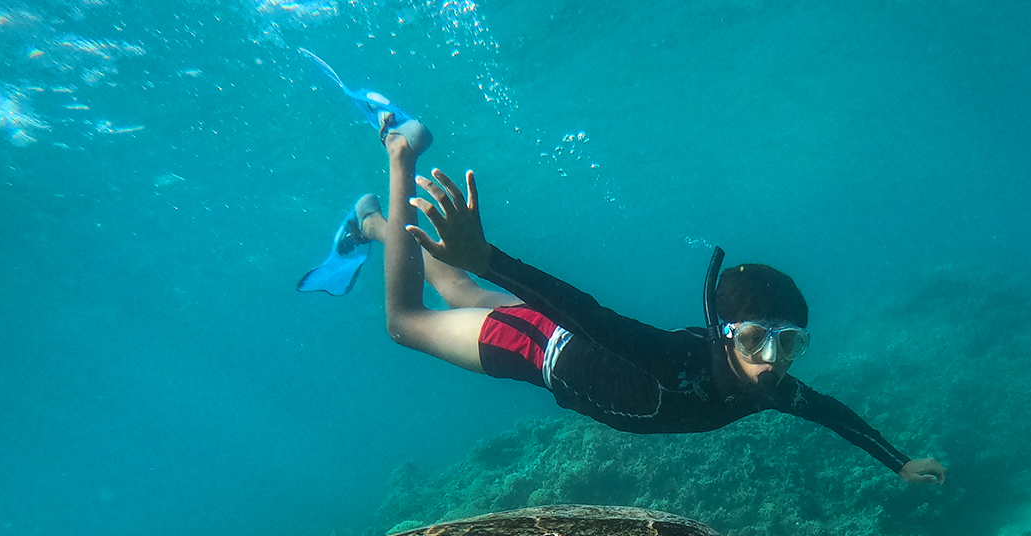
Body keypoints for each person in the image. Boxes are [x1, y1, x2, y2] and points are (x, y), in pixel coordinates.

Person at [299, 64, 946, 485]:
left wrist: (901, 463)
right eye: (756, 341)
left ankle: (375, 227)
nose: (773, 361)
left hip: (547, 335)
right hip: (535, 345)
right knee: (404, 323)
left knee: (462, 293)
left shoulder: (769, 388)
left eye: (790, 344)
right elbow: (590, 315)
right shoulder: (673, 364)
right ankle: (397, 156)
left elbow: (831, 412)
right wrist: (490, 258)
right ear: (724, 335)